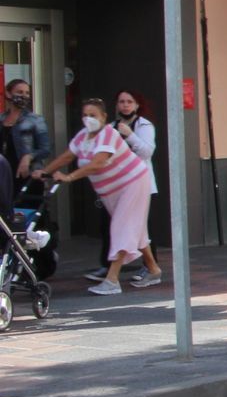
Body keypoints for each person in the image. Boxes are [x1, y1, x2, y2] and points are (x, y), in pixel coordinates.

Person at [33, 98, 161, 295]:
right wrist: (45, 172)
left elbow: (98, 163)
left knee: (121, 228)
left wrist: (69, 177)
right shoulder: (82, 136)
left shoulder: (108, 134)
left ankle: (112, 279)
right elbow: (67, 156)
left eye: (93, 115)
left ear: (104, 117)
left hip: (133, 183)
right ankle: (153, 269)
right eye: (85, 115)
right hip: (111, 190)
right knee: (135, 229)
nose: (88, 119)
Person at [86, 90, 159, 283]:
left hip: (138, 184)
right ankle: (109, 266)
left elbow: (147, 152)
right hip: (116, 185)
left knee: (140, 227)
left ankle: (147, 267)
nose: (125, 105)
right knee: (110, 226)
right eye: (121, 102)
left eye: (129, 102)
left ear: (137, 105)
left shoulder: (144, 125)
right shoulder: (111, 127)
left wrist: (130, 135)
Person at [2, 78, 52, 183]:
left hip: (27, 174)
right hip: (4, 176)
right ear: (8, 94)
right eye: (20, 92)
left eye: (27, 93)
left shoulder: (35, 119)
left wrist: (28, 156)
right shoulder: (2, 119)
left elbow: (46, 149)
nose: (24, 96)